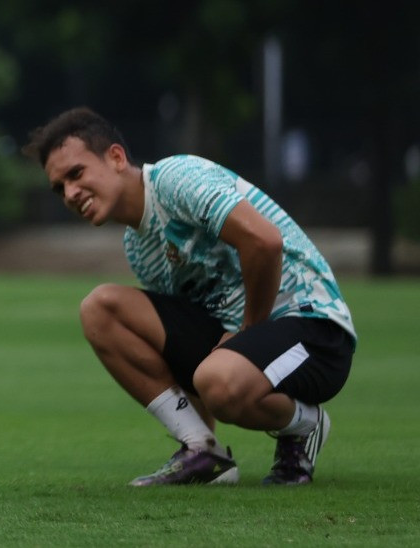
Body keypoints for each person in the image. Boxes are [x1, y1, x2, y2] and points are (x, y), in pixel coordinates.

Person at [24, 107, 356, 486]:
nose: (69, 193)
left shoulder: (175, 179)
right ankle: (201, 450)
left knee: (219, 380)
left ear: (116, 157)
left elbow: (264, 242)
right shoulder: (138, 246)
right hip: (241, 343)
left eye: (76, 174)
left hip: (314, 328)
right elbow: (186, 347)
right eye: (59, 187)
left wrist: (248, 329)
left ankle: (305, 424)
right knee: (101, 309)